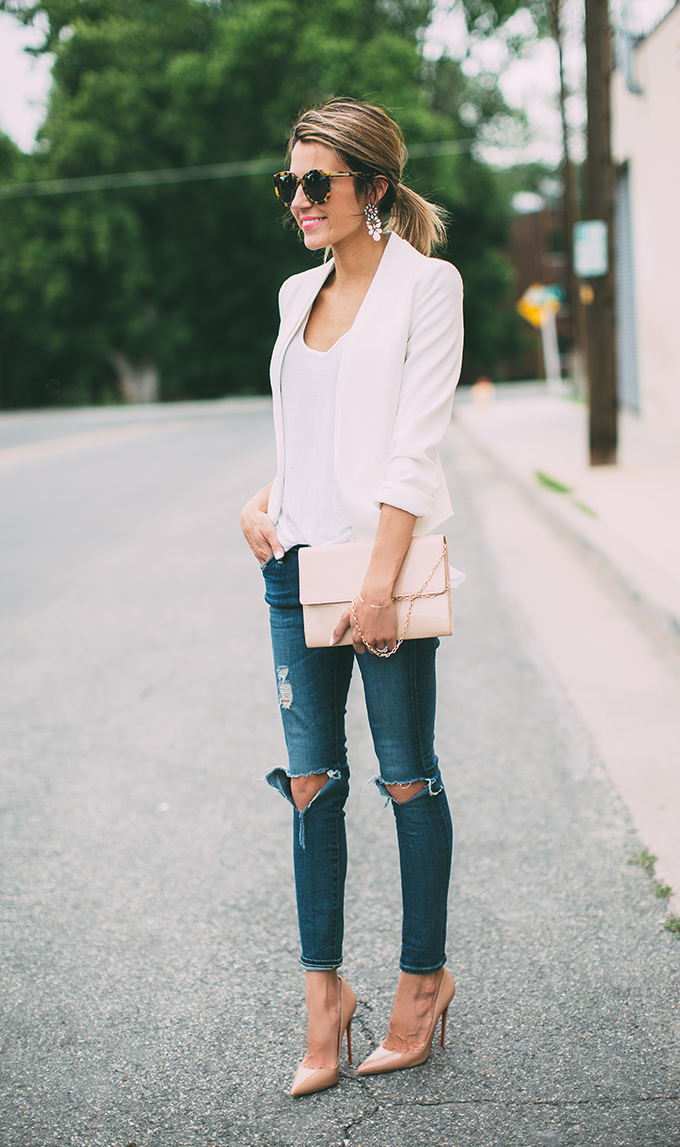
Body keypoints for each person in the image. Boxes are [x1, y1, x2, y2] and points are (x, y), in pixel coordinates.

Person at [240, 98, 463, 1097]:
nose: (298, 198)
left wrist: (377, 583)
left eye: (315, 182)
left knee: (404, 774)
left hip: (378, 572)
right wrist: (264, 498)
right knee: (309, 784)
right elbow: (305, 431)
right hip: (295, 569)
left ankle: (422, 986)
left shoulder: (427, 287)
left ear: (371, 188)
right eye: (287, 181)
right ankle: (322, 997)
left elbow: (412, 448)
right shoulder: (297, 294)